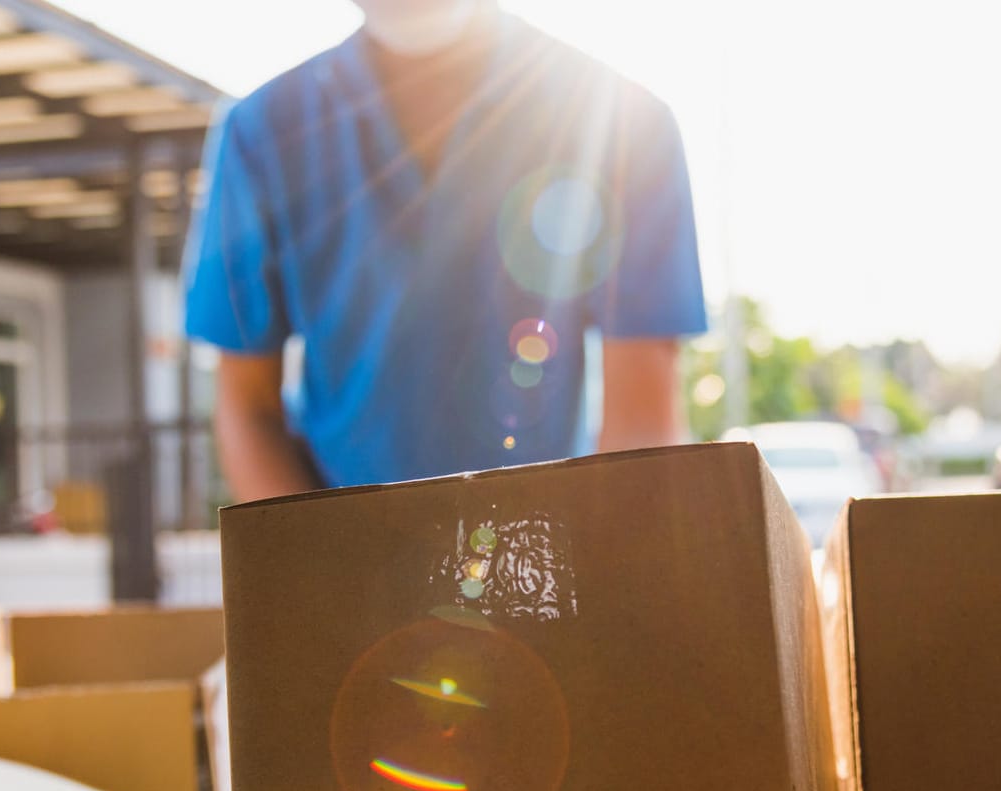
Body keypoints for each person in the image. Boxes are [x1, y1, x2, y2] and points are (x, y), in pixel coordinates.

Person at [184, 0, 706, 502]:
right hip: (341, 547)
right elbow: (247, 404)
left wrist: (583, 571)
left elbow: (641, 425)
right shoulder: (261, 133)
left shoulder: (623, 123)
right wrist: (323, 572)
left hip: (549, 546)